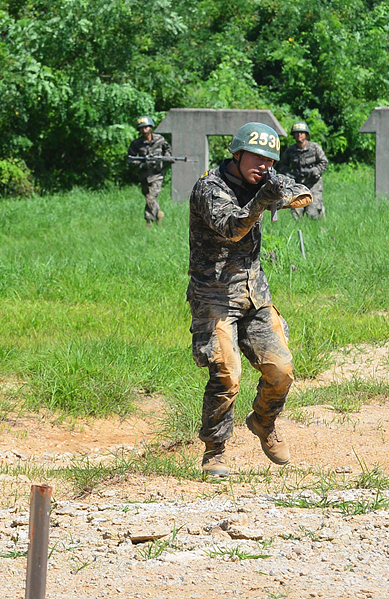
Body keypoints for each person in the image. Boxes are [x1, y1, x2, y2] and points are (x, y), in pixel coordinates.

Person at [187, 122, 312, 477]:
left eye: (270, 160)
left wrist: (282, 192)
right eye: (256, 158)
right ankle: (215, 451)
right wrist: (263, 200)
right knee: (226, 375)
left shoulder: (264, 179)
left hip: (254, 293)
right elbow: (233, 227)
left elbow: (301, 192)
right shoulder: (209, 187)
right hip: (214, 295)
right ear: (237, 154)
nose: (263, 166)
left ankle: (263, 421)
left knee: (281, 369)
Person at [127, 115, 172, 226]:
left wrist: (166, 157)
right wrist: (142, 165)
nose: (144, 129)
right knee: (148, 197)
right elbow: (130, 159)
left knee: (151, 197)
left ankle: (149, 221)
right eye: (142, 128)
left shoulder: (159, 139)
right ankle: (158, 215)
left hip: (157, 174)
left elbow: (167, 150)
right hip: (144, 175)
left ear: (151, 127)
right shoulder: (136, 143)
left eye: (146, 127)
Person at [278, 121, 328, 219]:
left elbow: (324, 162)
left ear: (306, 134)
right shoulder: (290, 150)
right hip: (298, 183)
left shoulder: (314, 148)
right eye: (296, 133)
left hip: (313, 183)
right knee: (296, 213)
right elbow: (283, 165)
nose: (299, 135)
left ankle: (320, 211)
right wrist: (288, 175)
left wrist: (315, 170)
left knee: (312, 213)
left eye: (301, 132)